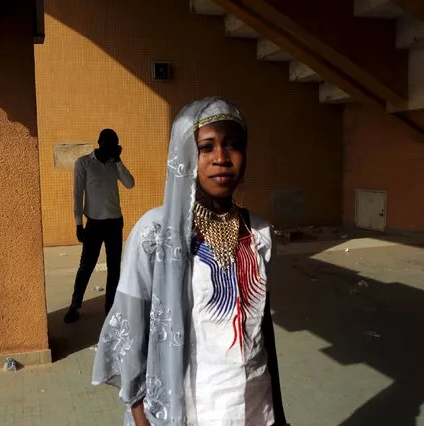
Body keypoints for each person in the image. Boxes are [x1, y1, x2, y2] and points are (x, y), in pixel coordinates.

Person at [92, 98, 287, 425]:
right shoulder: (155, 234)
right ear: (183, 155)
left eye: (233, 146)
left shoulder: (259, 232)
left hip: (254, 405)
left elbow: (261, 329)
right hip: (189, 410)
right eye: (206, 147)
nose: (221, 158)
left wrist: (278, 413)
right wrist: (140, 415)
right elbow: (129, 329)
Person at [64, 129, 135, 324]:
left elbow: (130, 184)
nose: (113, 147)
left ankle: (110, 308)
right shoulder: (84, 163)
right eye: (110, 143)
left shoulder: (115, 164)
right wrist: (78, 224)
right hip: (93, 224)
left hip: (114, 223)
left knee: (114, 268)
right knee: (86, 266)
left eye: (116, 144)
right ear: (100, 142)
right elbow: (77, 194)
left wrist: (118, 160)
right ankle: (75, 306)